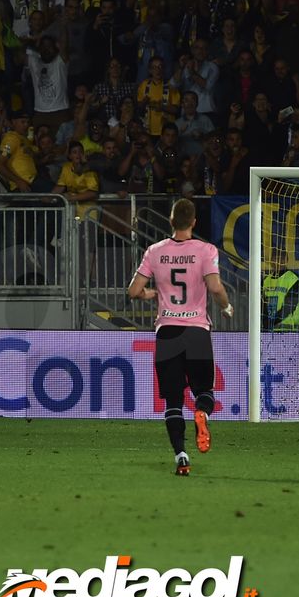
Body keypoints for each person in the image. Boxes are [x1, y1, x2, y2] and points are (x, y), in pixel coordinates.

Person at [127, 198, 233, 476]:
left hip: (168, 332)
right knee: (204, 393)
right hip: (197, 331)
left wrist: (151, 293)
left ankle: (182, 457)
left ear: (171, 221)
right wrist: (226, 305)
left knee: (173, 401)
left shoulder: (155, 251)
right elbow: (215, 286)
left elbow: (134, 290)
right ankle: (202, 414)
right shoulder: (205, 250)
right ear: (194, 222)